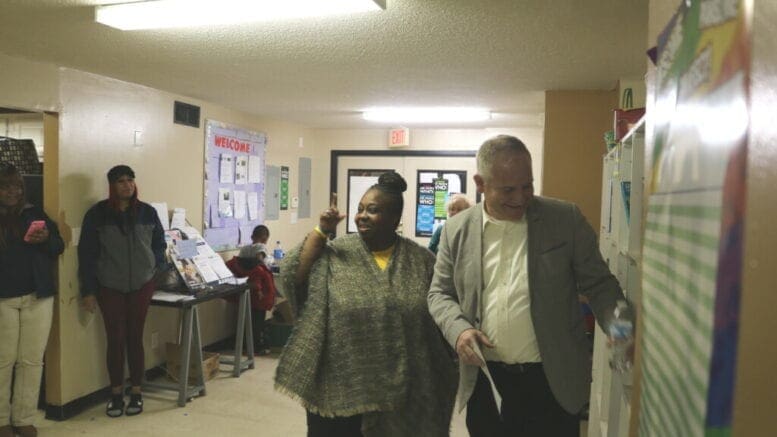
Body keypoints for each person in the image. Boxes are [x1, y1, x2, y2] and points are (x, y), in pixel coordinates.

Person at [427, 135, 629, 437]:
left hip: (552, 382)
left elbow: (600, 285)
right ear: (480, 183)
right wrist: (459, 331)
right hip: (487, 381)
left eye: (527, 186)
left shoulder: (564, 219)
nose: (521, 198)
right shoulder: (456, 229)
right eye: (508, 189)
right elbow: (439, 293)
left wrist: (621, 330)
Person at [274, 172, 456, 437]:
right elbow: (294, 276)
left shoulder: (421, 261)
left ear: (395, 218)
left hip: (405, 388)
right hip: (339, 384)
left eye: (373, 210)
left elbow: (440, 309)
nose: (362, 216)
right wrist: (322, 229)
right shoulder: (336, 252)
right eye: (360, 209)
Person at [78, 165, 166, 418]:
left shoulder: (147, 213)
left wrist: (155, 269)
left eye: (130, 180)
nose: (127, 185)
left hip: (142, 284)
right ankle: (116, 393)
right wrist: (88, 290)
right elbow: (87, 255)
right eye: (120, 181)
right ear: (112, 186)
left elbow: (159, 244)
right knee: (115, 339)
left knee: (135, 337)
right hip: (109, 285)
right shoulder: (97, 214)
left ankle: (136, 391)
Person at [0, 163, 64, 437]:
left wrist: (46, 238)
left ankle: (23, 417)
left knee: (32, 360)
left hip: (38, 296)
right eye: (5, 187)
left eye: (16, 186)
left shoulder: (35, 213)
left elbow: (58, 246)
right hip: (3, 298)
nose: (12, 192)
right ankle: (1, 419)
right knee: (3, 360)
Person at [224, 237, 276, 355]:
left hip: (246, 299)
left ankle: (244, 346)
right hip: (260, 301)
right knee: (257, 325)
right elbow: (259, 283)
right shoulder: (258, 268)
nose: (262, 258)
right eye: (261, 255)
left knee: (245, 322)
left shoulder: (238, 265)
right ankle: (255, 348)